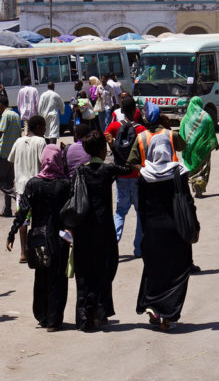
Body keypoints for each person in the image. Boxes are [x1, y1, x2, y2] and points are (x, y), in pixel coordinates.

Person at [136, 133, 198, 331]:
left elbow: (142, 208)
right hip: (177, 231)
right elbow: (188, 202)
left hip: (153, 230)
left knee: (155, 269)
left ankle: (154, 307)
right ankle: (168, 316)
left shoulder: (144, 176)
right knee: (178, 271)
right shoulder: (179, 172)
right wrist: (194, 226)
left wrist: (145, 232)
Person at [6, 145, 71, 331]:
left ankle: (43, 316)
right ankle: (53, 319)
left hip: (38, 238)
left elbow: (23, 212)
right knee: (58, 278)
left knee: (41, 276)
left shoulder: (33, 184)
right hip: (59, 238)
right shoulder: (66, 184)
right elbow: (71, 212)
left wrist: (12, 233)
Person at [71, 131, 130, 331]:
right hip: (104, 228)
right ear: (102, 150)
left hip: (83, 228)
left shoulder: (80, 171)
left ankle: (84, 316)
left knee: (84, 271)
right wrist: (115, 147)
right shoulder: (108, 170)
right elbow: (128, 166)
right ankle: (100, 311)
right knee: (106, 268)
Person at [105, 97, 146, 258]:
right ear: (135, 110)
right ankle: (138, 249)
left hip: (121, 175)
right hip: (137, 175)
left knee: (120, 212)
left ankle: (112, 245)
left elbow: (106, 135)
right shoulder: (141, 129)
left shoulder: (115, 126)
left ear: (121, 111)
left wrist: (113, 145)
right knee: (140, 212)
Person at [8, 115, 47, 263]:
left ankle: (23, 253)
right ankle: (36, 250)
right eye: (43, 127)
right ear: (37, 127)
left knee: (22, 220)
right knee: (37, 220)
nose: (45, 130)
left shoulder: (18, 141)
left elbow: (11, 161)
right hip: (36, 186)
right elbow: (44, 162)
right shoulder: (40, 141)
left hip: (20, 187)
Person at [179, 96, 219, 198]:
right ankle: (199, 187)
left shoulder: (185, 119)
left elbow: (181, 134)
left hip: (189, 149)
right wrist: (215, 144)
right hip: (203, 149)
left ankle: (194, 182)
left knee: (192, 168)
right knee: (203, 168)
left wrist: (182, 146)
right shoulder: (206, 117)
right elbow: (211, 132)